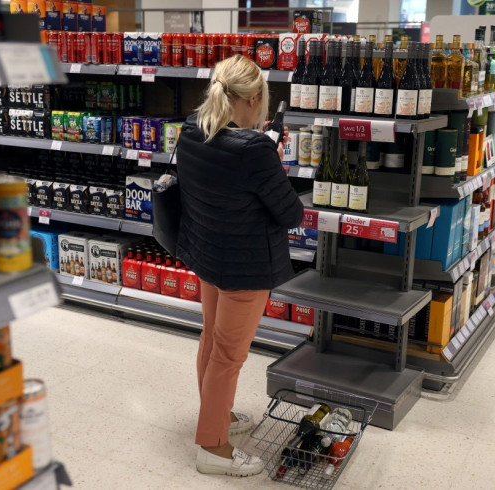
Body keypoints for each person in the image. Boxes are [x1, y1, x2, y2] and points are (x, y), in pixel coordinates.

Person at [176, 55, 304, 477]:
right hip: (245, 266)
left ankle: (218, 417)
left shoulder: (192, 131)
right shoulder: (255, 150)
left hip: (208, 254)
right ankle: (213, 449)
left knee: (211, 345)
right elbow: (290, 214)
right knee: (228, 356)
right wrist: (273, 158)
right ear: (251, 99)